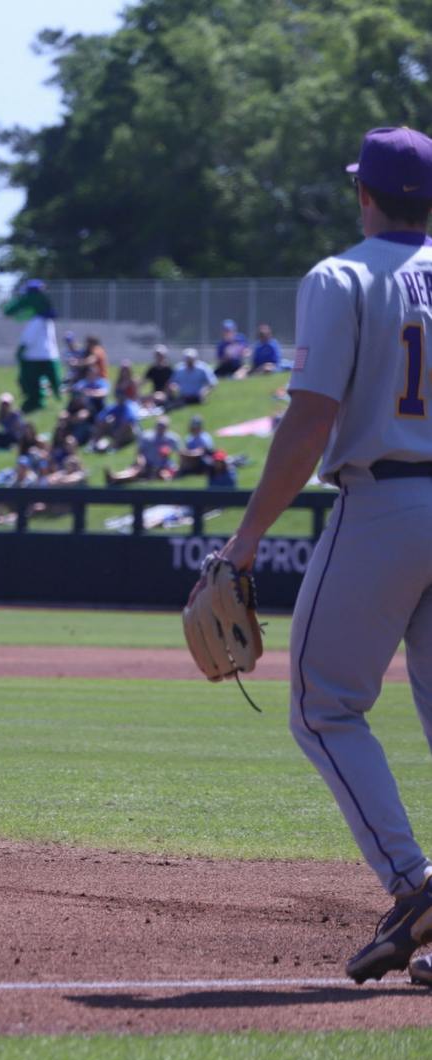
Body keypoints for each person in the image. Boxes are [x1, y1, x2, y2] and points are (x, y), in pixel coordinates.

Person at [204, 126, 432, 988]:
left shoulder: (342, 276)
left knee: (324, 706)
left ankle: (415, 889)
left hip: (385, 502)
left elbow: (308, 418)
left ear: (364, 195)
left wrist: (248, 537)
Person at [3, 280, 61, 412]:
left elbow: (28, 339)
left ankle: (35, 402)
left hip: (32, 357)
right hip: (50, 355)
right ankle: (56, 399)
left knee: (30, 382)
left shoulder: (37, 320)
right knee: (53, 381)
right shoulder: (47, 320)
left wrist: (20, 351)